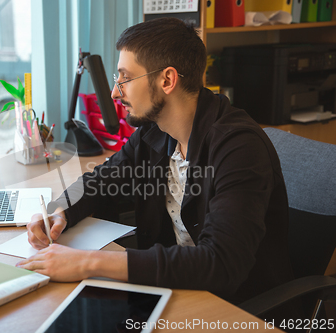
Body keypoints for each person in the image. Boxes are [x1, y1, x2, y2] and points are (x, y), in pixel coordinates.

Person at [16, 17, 294, 306]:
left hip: (236, 305)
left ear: (167, 80)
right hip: (174, 288)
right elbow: (100, 180)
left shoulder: (239, 147)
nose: (115, 92)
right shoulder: (156, 132)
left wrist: (88, 261)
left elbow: (221, 263)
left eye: (125, 78)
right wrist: (59, 210)